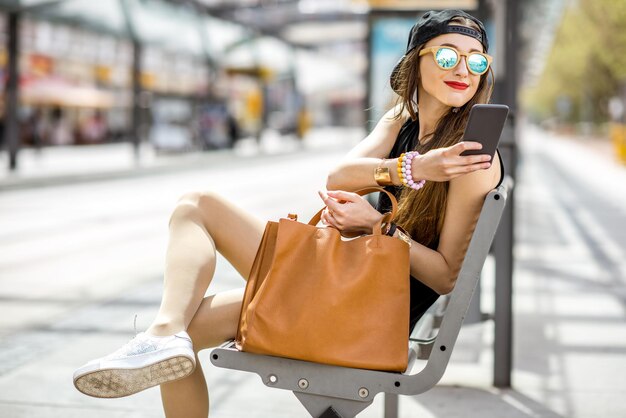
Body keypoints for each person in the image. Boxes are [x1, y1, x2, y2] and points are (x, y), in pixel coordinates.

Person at [73, 9, 502, 417]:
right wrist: (413, 167)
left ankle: (162, 335)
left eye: (475, 61)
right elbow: (338, 177)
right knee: (194, 215)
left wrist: (378, 226)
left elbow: (447, 275)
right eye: (448, 56)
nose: (463, 70)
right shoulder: (401, 120)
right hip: (344, 282)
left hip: (365, 311)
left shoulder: (470, 156)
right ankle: (163, 336)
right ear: (417, 63)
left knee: (197, 225)